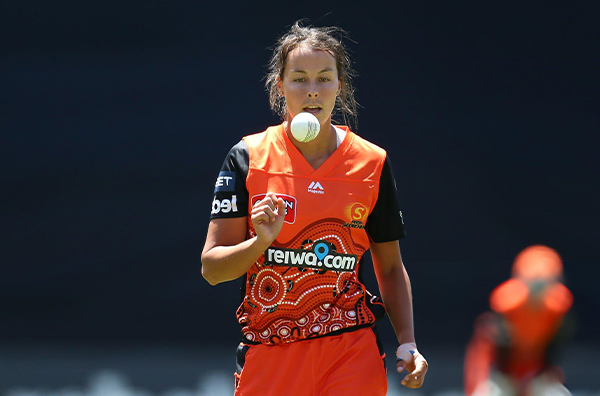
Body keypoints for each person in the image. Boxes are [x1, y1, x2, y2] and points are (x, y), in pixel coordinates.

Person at [201, 21, 428, 395]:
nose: (312, 91)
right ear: (280, 85)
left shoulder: (371, 163)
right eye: (299, 79)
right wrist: (260, 242)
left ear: (340, 85)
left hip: (350, 350)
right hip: (271, 352)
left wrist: (407, 342)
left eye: (324, 78)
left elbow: (388, 264)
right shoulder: (248, 157)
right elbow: (212, 269)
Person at [464, 245, 574, 396]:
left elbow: (553, 347)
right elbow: (482, 353)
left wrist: (547, 373)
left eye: (544, 283)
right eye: (534, 284)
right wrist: (476, 386)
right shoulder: (504, 306)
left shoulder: (558, 307)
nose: (538, 290)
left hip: (537, 376)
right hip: (504, 376)